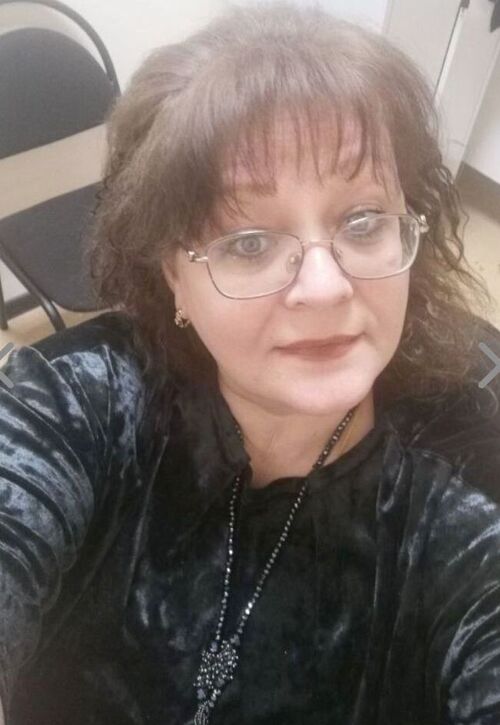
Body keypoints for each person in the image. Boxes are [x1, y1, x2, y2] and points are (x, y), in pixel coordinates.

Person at [1, 2, 500, 723]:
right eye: (249, 243)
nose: (326, 288)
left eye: (363, 222)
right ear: (173, 274)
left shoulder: (467, 484)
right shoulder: (80, 400)